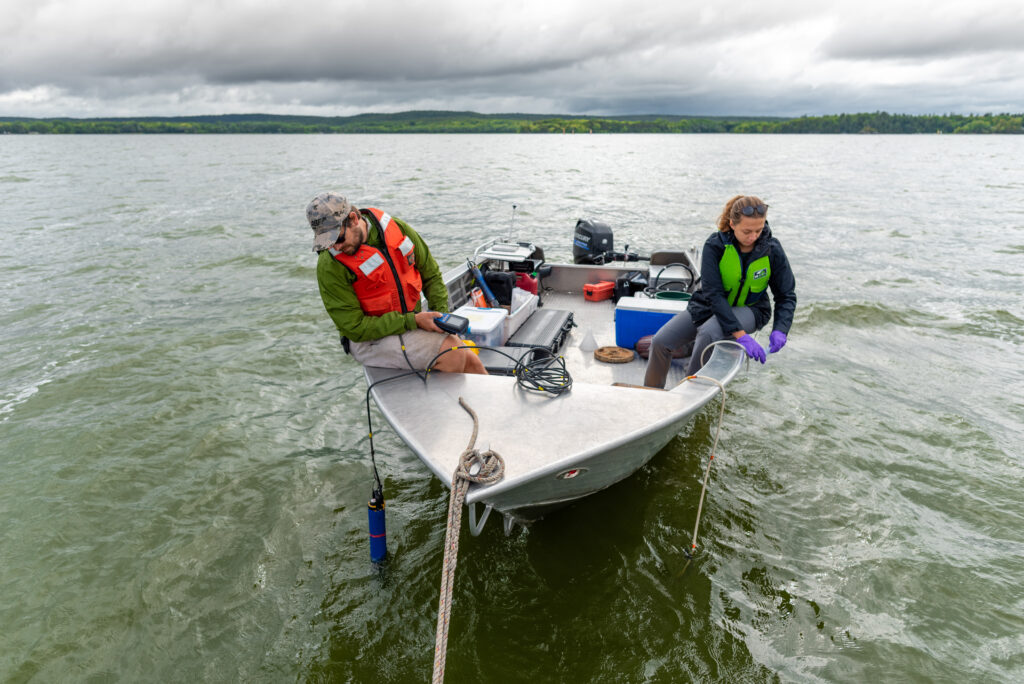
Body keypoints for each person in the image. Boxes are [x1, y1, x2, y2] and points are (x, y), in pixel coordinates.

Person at [307, 192, 486, 374]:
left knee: (471, 360)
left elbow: (431, 276)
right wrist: (413, 321)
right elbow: (355, 328)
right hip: (368, 339)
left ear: (353, 219)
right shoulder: (329, 265)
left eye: (337, 239)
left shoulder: (397, 229)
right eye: (327, 243)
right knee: (452, 351)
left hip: (409, 321)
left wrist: (442, 320)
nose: (335, 247)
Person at [643, 195, 796, 388]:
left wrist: (781, 329)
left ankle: (688, 391)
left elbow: (786, 295)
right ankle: (650, 391)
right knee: (660, 341)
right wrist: (741, 336)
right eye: (747, 231)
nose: (753, 237)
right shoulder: (715, 246)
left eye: (759, 230)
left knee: (709, 332)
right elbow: (714, 294)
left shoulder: (773, 250)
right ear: (732, 224)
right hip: (709, 305)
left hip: (750, 309)